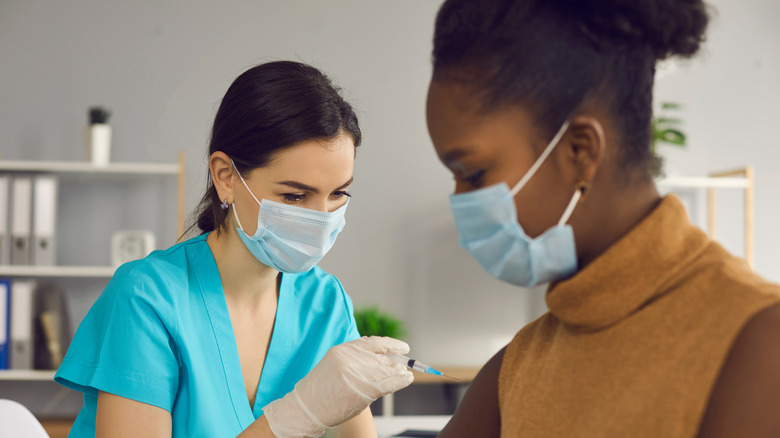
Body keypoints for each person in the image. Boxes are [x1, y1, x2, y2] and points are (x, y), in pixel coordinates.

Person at [424, 0, 780, 437]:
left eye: (473, 174)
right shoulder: (516, 370)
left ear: (580, 150)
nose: (462, 204)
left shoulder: (757, 345)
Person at [55, 61, 413, 438]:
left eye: (338, 193)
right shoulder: (147, 297)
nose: (321, 218)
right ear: (226, 177)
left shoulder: (324, 302)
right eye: (294, 195)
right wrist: (296, 415)